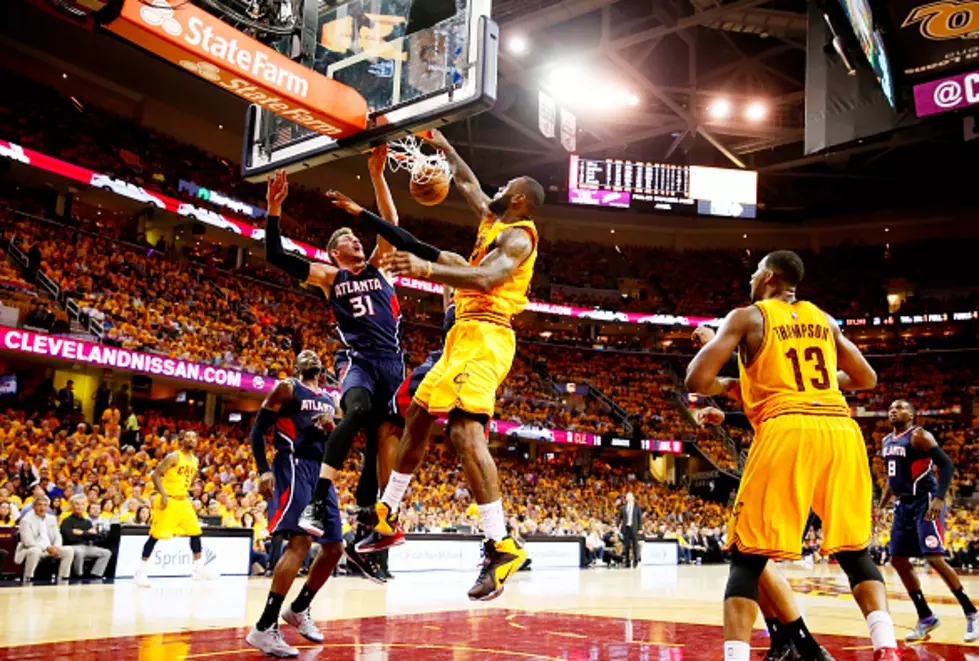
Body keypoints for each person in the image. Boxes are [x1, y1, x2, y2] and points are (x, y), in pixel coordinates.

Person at [357, 129, 543, 601]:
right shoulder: (493, 221)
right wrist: (446, 148)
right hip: (461, 336)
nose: (494, 191)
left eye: (505, 188)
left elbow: (485, 277)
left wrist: (426, 270)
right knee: (416, 414)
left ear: (519, 199)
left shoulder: (518, 237)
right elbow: (467, 184)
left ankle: (502, 545)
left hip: (486, 335)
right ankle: (387, 514)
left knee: (464, 433)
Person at [685, 250, 899, 661]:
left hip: (788, 429)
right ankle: (886, 647)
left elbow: (698, 378)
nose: (750, 277)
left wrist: (717, 344)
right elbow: (866, 378)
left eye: (753, 271)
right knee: (855, 553)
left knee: (747, 558)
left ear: (767, 275)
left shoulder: (747, 316)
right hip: (841, 429)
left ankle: (736, 656)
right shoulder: (822, 318)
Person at [261, 154, 403, 584]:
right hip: (357, 361)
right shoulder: (328, 277)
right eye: (346, 239)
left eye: (356, 237)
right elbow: (275, 255)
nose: (355, 241)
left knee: (380, 443)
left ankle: (372, 529)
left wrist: (378, 176)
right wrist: (273, 211)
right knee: (356, 410)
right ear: (334, 252)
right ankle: (320, 498)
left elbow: (390, 223)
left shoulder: (379, 266)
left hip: (393, 364)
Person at [246, 350, 345, 658]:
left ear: (321, 367)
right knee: (300, 542)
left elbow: (338, 447)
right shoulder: (287, 388)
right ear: (296, 367)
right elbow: (258, 431)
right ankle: (264, 627)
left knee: (334, 548)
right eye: (302, 354)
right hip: (293, 464)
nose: (308, 354)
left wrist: (333, 430)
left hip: (321, 471)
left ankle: (299, 608)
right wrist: (263, 469)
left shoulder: (333, 401)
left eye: (314, 353)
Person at [878, 399, 979, 642]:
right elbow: (893, 478)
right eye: (891, 407)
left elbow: (946, 464)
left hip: (925, 501)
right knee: (898, 560)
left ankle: (971, 612)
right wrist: (882, 505)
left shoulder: (919, 436)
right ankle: (926, 617)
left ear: (912, 415)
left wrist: (939, 497)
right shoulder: (886, 441)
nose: (894, 410)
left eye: (901, 407)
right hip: (903, 504)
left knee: (933, 557)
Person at [132, 431, 212, 587]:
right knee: (156, 535)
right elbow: (155, 475)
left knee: (195, 531)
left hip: (183, 500)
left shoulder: (195, 460)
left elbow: (184, 481)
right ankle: (140, 573)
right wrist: (162, 494)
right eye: (188, 437)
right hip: (168, 500)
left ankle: (198, 569)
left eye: (194, 437)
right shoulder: (174, 457)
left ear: (197, 441)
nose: (191, 439)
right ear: (182, 440)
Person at [15, 494, 74, 583]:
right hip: (32, 549)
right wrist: (46, 548)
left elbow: (57, 535)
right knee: (35, 550)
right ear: (33, 507)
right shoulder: (26, 520)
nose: (42, 508)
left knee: (69, 550)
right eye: (39, 505)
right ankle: (28, 578)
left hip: (51, 548)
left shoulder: (52, 518)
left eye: (45, 505)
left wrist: (56, 547)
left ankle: (63, 578)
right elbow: (28, 541)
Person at [60, 493, 112, 581]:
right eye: (77, 504)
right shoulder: (67, 521)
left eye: (82, 504)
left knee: (106, 552)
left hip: (87, 546)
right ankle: (78, 575)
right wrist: (86, 533)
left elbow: (94, 536)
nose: (80, 507)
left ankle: (95, 575)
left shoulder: (87, 522)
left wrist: (80, 533)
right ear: (72, 506)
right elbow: (69, 537)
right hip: (72, 546)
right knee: (80, 552)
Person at [618, 492, 641, 568]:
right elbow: (619, 518)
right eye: (627, 496)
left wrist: (639, 528)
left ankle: (635, 561)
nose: (628, 498)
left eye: (630, 496)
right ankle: (627, 562)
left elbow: (639, 518)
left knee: (635, 545)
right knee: (626, 546)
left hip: (634, 528)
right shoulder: (623, 507)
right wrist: (617, 525)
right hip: (626, 527)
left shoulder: (637, 506)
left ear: (633, 498)